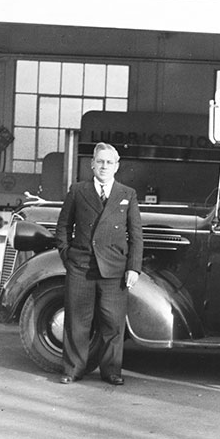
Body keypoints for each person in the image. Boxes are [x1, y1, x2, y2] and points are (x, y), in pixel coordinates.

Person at [55, 142, 143, 386]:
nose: (104, 166)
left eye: (109, 162)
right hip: (81, 266)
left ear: (117, 166)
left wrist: (133, 267)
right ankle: (73, 369)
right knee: (77, 321)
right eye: (100, 161)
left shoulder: (127, 194)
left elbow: (136, 235)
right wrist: (67, 255)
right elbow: (63, 226)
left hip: (114, 268)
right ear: (92, 164)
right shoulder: (77, 190)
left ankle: (111, 371)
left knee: (112, 323)